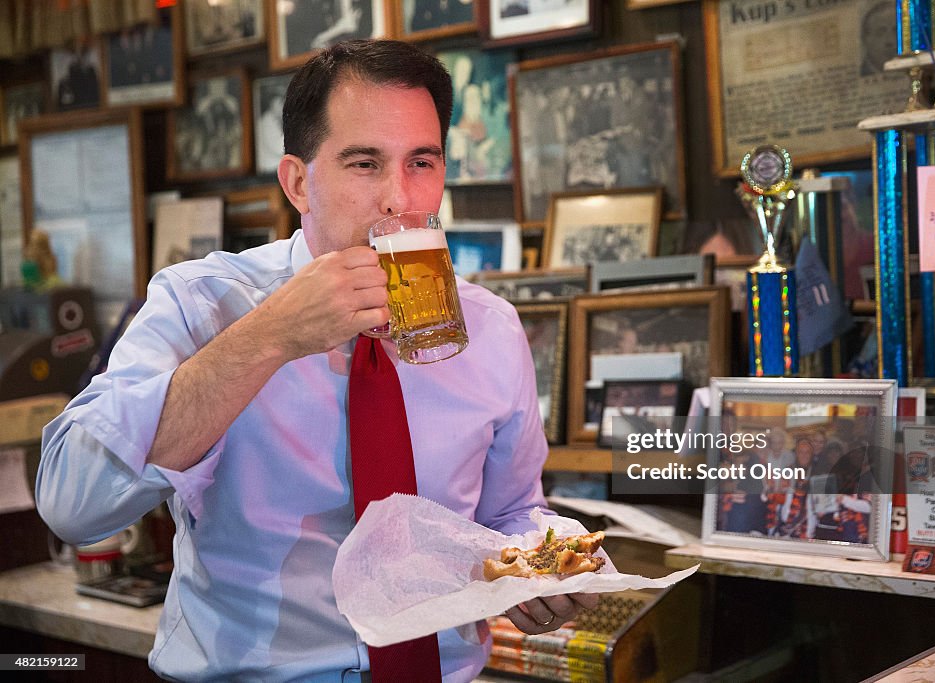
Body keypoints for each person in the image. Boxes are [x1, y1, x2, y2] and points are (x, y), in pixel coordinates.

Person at [35, 39, 596, 681]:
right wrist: (270, 336)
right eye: (364, 163)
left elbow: (510, 513)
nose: (399, 198)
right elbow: (70, 505)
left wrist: (543, 564)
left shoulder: (490, 328)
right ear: (298, 182)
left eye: (422, 161)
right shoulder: (202, 303)